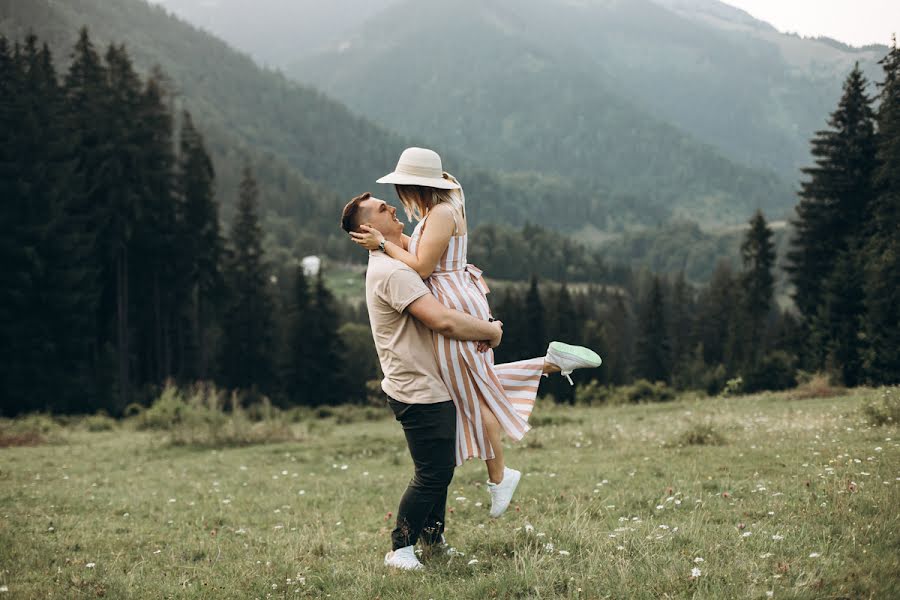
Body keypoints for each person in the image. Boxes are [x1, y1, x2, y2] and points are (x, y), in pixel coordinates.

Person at [350, 147, 602, 519]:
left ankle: (500, 476)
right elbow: (416, 251)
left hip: (453, 304)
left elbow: (420, 266)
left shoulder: (440, 214)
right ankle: (548, 365)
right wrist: (386, 243)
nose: (396, 202)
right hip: (456, 298)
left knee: (470, 389)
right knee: (473, 381)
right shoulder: (440, 209)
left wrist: (384, 244)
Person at [341, 191, 504, 571]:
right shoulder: (392, 272)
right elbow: (442, 319)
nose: (394, 209)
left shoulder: (396, 259)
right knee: (432, 473)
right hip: (417, 388)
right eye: (383, 209)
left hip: (430, 384)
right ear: (367, 227)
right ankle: (400, 549)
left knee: (440, 468)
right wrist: (490, 332)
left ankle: (433, 540)